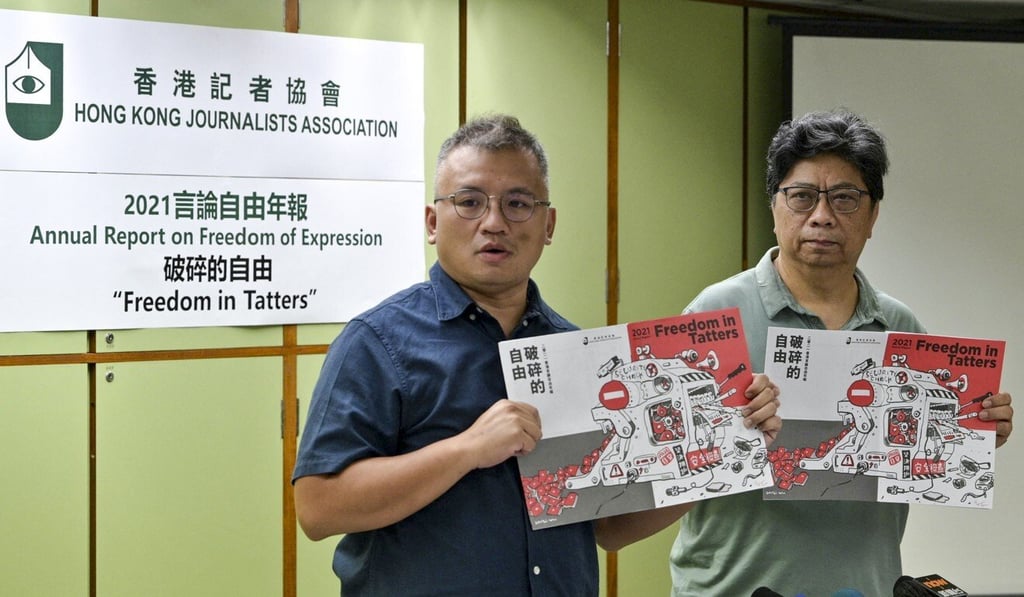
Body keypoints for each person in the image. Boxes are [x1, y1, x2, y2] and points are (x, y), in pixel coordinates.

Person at [291, 113, 782, 596]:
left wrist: (723, 452)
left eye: (517, 204)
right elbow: (319, 508)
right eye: (469, 202)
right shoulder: (378, 342)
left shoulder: (574, 351)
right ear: (432, 221)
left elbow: (610, 528)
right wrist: (467, 450)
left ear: (548, 225)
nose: (494, 223)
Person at [666, 109, 1015, 597]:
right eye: (802, 197)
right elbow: (665, 463)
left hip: (864, 587)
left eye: (846, 199)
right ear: (774, 208)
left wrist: (974, 431)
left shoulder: (901, 328)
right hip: (736, 589)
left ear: (872, 216)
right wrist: (725, 423)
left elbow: (923, 458)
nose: (822, 216)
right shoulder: (718, 314)